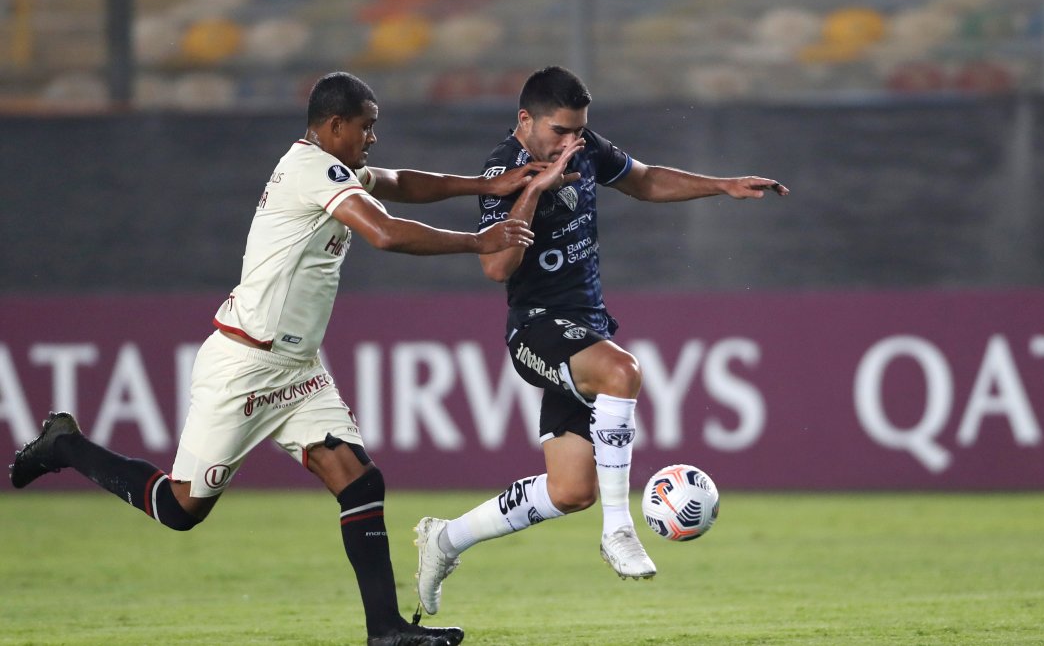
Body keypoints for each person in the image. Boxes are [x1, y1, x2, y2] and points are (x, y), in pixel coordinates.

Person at [8, 71, 576, 646]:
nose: (372, 138)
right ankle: (65, 445)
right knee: (181, 509)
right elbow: (382, 232)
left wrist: (489, 183)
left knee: (360, 483)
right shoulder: (309, 170)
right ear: (334, 126)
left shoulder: (335, 167)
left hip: (298, 370)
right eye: (366, 127)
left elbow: (398, 181)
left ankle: (386, 632)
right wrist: (478, 240)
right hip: (244, 364)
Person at [412, 65, 789, 615]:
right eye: (560, 132)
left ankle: (445, 540)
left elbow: (645, 179)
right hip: (536, 327)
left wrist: (721, 186)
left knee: (570, 491)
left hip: (584, 327)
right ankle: (619, 531)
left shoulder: (584, 148)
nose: (572, 141)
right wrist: (536, 191)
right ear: (526, 121)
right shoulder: (504, 169)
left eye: (580, 131)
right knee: (622, 372)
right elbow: (496, 266)